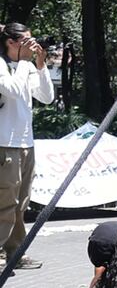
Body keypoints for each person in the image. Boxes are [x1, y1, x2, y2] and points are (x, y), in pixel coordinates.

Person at [0, 22, 54, 270]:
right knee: (4, 202)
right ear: (11, 42)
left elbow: (46, 96)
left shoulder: (27, 66)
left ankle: (15, 253)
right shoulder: (2, 64)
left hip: (26, 143)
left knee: (21, 203)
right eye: (26, 41)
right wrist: (23, 61)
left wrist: (41, 66)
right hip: (5, 144)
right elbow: (10, 90)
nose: (32, 46)